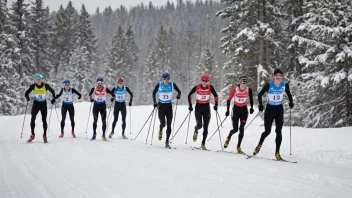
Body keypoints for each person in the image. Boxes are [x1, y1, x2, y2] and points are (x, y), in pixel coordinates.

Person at [253, 69, 294, 160]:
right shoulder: (269, 85)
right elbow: (260, 95)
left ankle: (277, 152)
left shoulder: (284, 85)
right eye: (277, 76)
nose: (279, 78)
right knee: (267, 131)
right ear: (274, 76)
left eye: (280, 76)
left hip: (279, 109)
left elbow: (289, 94)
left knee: (278, 131)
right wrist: (260, 105)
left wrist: (291, 102)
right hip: (270, 109)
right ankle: (259, 144)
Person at [187, 74, 219, 150]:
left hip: (206, 108)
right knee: (200, 125)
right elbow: (189, 95)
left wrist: (216, 105)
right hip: (198, 107)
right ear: (201, 80)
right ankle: (196, 130)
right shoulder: (197, 87)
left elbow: (216, 96)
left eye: (206, 81)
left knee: (206, 127)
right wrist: (190, 106)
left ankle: (203, 144)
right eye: (203, 81)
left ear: (208, 81)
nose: (204, 82)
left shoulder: (210, 87)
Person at [223, 76, 254, 153]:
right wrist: (227, 110)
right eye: (242, 82)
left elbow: (251, 99)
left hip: (244, 110)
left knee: (242, 128)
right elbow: (228, 99)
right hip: (236, 110)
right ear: (239, 83)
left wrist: (252, 107)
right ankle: (229, 137)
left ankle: (238, 146)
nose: (244, 84)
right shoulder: (235, 90)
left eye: (245, 83)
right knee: (235, 129)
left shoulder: (248, 90)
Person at [152, 72, 181, 148]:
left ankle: (167, 142)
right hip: (161, 107)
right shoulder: (159, 85)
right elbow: (153, 93)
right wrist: (155, 102)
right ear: (163, 79)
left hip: (169, 107)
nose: (166, 80)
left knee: (169, 125)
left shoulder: (172, 84)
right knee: (163, 124)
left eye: (167, 79)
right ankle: (160, 130)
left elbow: (179, 91)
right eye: (164, 79)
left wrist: (178, 95)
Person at [24, 73, 56, 143]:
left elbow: (53, 91)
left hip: (43, 105)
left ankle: (44, 135)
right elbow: (26, 93)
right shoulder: (33, 86)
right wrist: (27, 97)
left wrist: (53, 99)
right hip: (36, 105)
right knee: (32, 119)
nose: (38, 80)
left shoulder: (46, 86)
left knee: (44, 121)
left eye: (39, 79)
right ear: (35, 80)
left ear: (42, 80)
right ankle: (32, 134)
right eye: (37, 79)